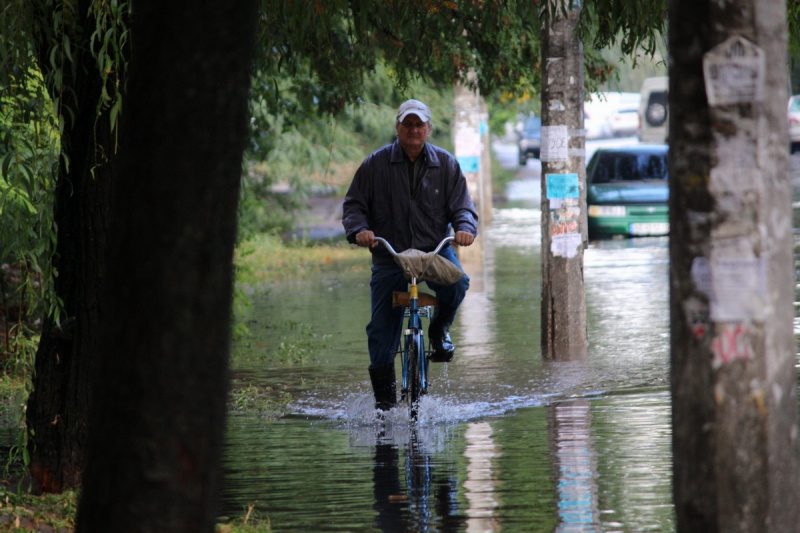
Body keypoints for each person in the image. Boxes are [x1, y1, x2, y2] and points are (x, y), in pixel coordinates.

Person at [342, 99, 478, 412]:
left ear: (428, 129)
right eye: (408, 124)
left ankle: (439, 330)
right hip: (390, 255)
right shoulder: (375, 164)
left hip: (434, 251)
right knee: (380, 330)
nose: (413, 130)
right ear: (398, 128)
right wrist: (360, 230)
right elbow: (354, 206)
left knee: (458, 284)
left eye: (419, 125)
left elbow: (463, 208)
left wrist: (464, 228)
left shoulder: (446, 164)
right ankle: (385, 406)